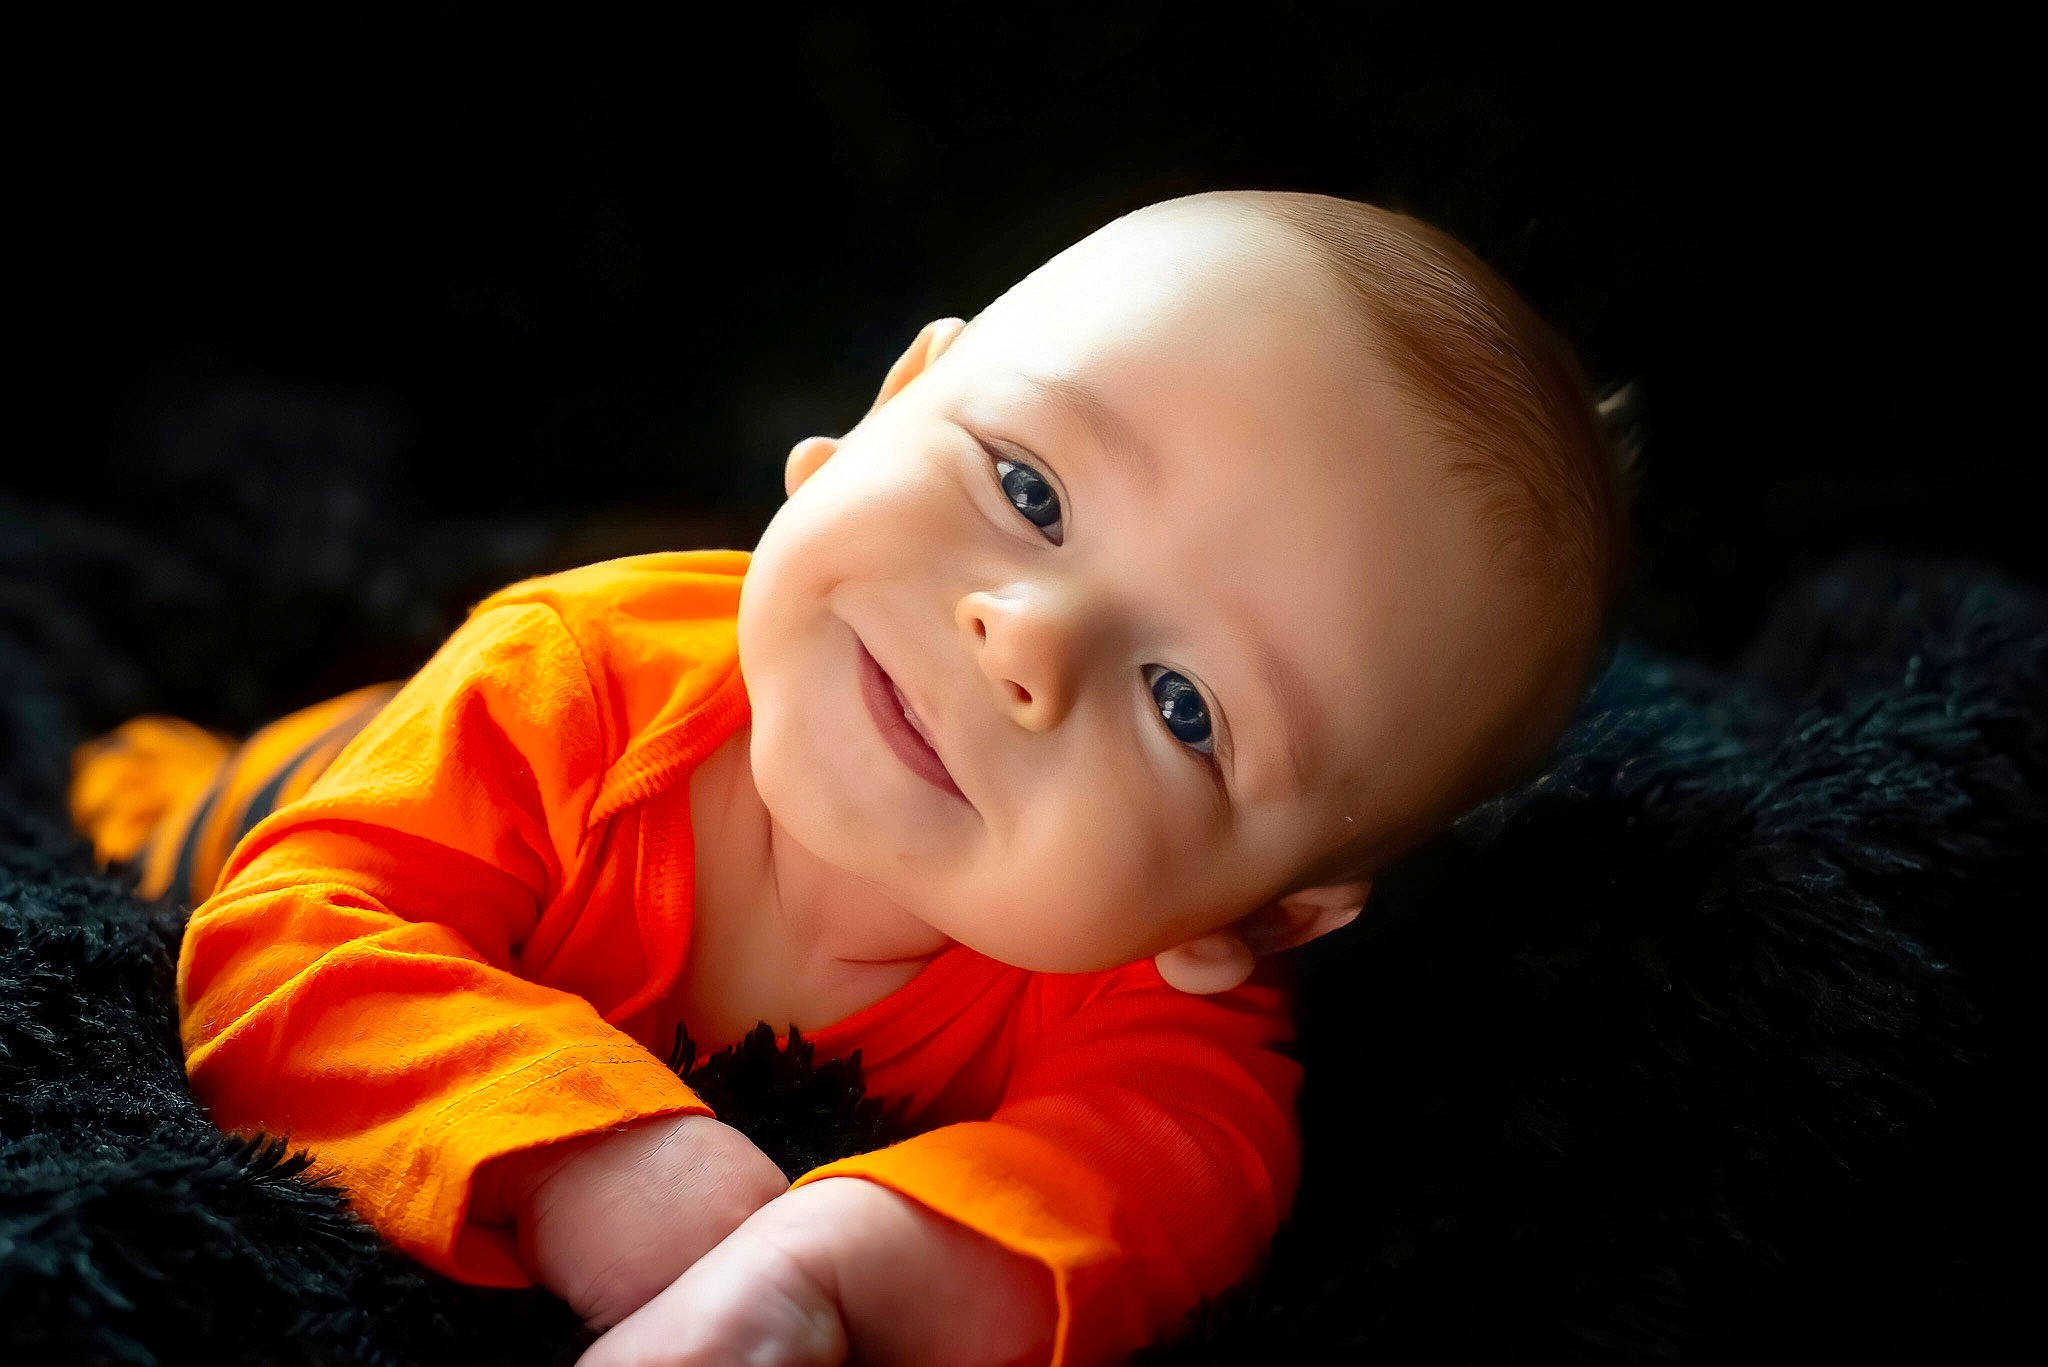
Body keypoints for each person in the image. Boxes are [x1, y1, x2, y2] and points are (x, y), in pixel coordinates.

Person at [69, 189, 1635, 1366]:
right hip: (272, 788)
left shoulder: (1142, 992)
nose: (1022, 636)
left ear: (1264, 917)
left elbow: (1169, 1191)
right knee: (154, 806)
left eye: (1183, 707)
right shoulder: (570, 677)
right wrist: (595, 1162)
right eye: (1028, 488)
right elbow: (294, 939)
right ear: (885, 411)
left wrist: (827, 1268)